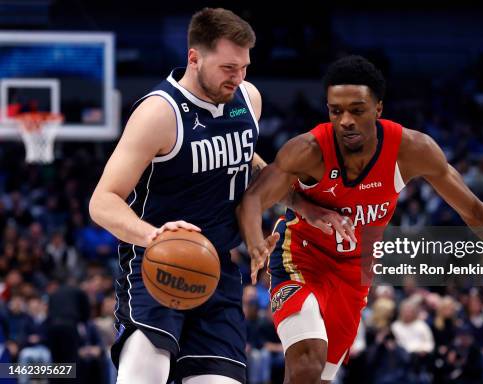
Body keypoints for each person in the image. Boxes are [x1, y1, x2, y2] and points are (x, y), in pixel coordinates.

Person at [236, 55, 483, 383]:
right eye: (335, 111)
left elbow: (474, 212)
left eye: (357, 110)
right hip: (300, 258)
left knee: (319, 378)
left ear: (379, 108)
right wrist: (255, 242)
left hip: (353, 274)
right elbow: (254, 197)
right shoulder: (309, 150)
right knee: (306, 364)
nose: (345, 120)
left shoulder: (412, 150)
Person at [89, 8, 343, 384]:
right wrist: (153, 236)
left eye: (244, 67)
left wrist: (304, 205)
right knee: (146, 372)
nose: (238, 77)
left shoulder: (248, 99)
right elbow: (102, 201)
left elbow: (249, 164)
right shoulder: (159, 112)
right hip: (157, 262)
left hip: (218, 268)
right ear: (194, 57)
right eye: (228, 68)